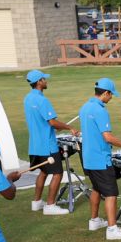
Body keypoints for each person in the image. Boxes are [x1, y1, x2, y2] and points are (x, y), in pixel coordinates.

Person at [78, 78, 121, 240]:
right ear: (105, 93)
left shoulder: (84, 107)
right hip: (99, 158)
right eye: (111, 95)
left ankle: (94, 220)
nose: (111, 98)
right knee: (111, 193)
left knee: (97, 188)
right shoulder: (100, 110)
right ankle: (112, 229)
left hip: (88, 158)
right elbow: (107, 137)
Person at [23, 70, 75, 217]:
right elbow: (52, 122)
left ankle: (37, 202)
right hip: (47, 145)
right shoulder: (42, 100)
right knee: (57, 173)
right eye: (44, 79)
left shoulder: (28, 98)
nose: (46, 81)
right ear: (39, 82)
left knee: (44, 171)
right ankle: (50, 205)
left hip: (35, 144)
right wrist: (69, 127)